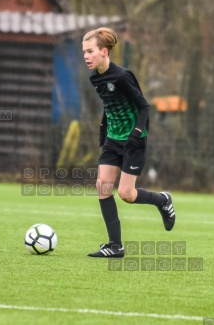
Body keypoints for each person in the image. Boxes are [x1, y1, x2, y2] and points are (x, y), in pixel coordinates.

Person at [82, 27, 176, 258]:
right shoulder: (95, 78)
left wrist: (136, 133)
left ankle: (162, 200)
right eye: (84, 52)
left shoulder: (123, 76)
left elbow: (144, 106)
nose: (86, 56)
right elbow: (110, 104)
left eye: (90, 51)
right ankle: (115, 246)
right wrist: (103, 128)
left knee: (127, 194)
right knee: (103, 187)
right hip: (113, 139)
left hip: (134, 141)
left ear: (104, 52)